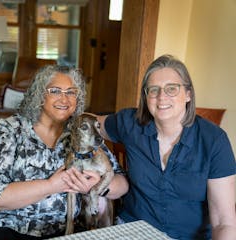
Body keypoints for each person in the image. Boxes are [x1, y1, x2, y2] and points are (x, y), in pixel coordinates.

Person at [0, 65, 129, 240]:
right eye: (55, 91)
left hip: (65, 232)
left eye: (71, 92)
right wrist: (52, 185)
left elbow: (122, 183)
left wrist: (96, 186)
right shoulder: (9, 130)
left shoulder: (83, 129)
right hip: (4, 226)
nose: (64, 99)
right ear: (40, 95)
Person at [93, 54, 236, 239]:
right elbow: (90, 124)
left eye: (171, 89)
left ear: (188, 94)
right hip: (131, 231)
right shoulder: (130, 123)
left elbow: (224, 223)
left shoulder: (214, 141)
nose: (162, 97)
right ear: (146, 96)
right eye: (154, 90)